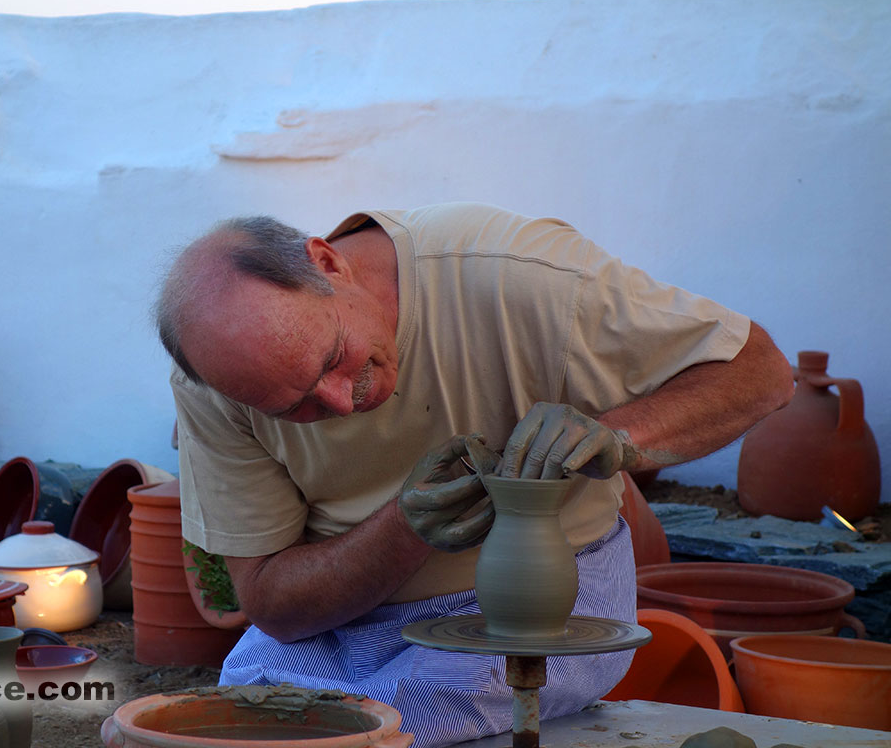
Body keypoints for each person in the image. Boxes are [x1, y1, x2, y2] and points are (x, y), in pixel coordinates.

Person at [155, 201, 792, 747]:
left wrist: (623, 435)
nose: (343, 401)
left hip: (552, 607)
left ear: (327, 263)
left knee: (388, 721)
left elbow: (760, 373)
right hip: (343, 614)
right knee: (241, 714)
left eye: (333, 358)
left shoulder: (519, 276)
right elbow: (271, 604)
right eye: (295, 407)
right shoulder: (215, 386)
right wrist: (405, 528)